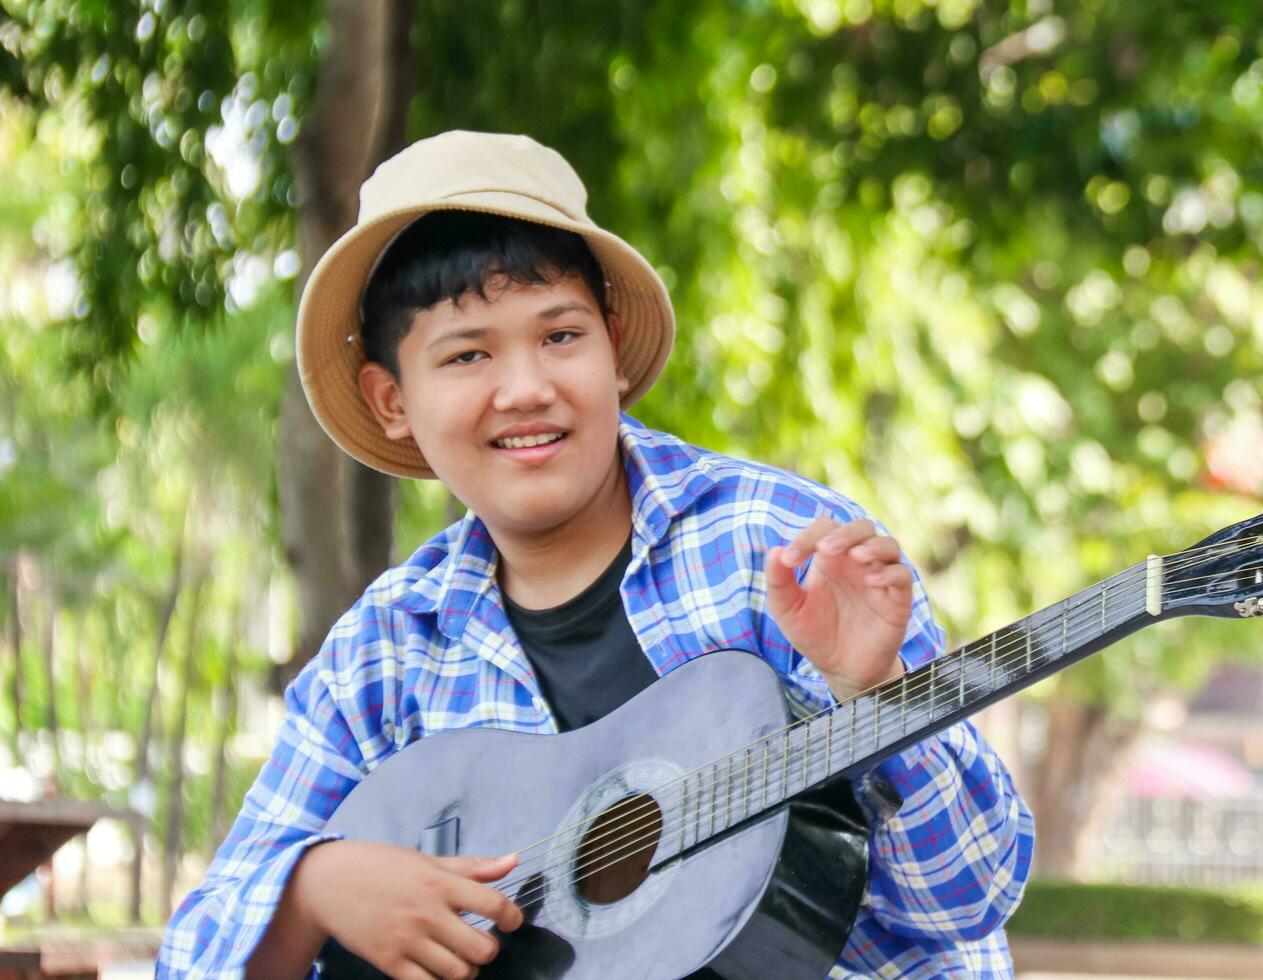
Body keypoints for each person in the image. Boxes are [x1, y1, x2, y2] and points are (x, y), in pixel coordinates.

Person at [157, 130, 1033, 979]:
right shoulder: (387, 652)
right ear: (391, 400)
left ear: (613, 346)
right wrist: (312, 889)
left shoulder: (784, 547)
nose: (526, 387)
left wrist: (874, 700)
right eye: (467, 354)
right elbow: (193, 954)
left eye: (561, 336)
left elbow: (969, 899)